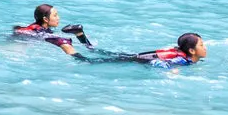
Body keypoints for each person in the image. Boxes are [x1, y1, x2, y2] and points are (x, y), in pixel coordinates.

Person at [76, 32, 207, 67]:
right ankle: (73, 52)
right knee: (92, 61)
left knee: (104, 54)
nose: (205, 47)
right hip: (140, 60)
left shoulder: (185, 56)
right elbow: (166, 64)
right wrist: (173, 70)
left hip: (140, 57)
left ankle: (80, 36)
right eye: (201, 45)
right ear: (192, 51)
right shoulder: (182, 60)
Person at [12, 4, 93, 53]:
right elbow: (44, 36)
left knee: (63, 41)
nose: (58, 18)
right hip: (22, 40)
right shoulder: (37, 29)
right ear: (46, 19)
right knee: (63, 42)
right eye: (55, 15)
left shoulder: (42, 28)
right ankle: (80, 38)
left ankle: (80, 35)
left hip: (27, 38)